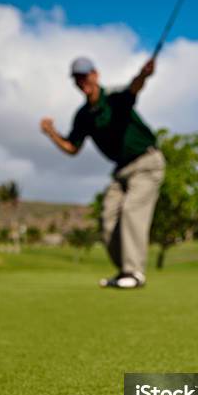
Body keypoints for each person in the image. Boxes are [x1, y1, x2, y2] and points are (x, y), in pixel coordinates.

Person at [40, 56, 165, 289]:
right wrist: (51, 132)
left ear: (95, 75)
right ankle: (126, 271)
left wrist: (144, 74)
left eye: (85, 75)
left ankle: (135, 273)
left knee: (131, 210)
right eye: (77, 78)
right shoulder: (84, 116)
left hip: (147, 163)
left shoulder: (115, 99)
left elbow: (134, 87)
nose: (82, 81)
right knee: (108, 217)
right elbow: (72, 148)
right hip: (121, 170)